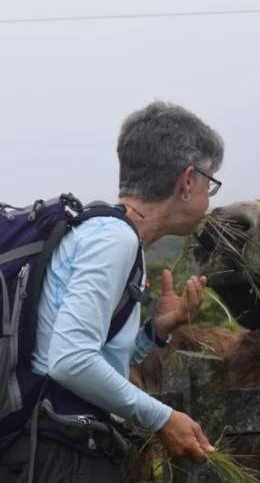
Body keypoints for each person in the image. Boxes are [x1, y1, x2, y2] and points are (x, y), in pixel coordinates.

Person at [0, 100, 225, 482]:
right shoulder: (114, 239)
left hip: (54, 445)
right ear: (187, 180)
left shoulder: (107, 233)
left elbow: (85, 353)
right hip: (60, 454)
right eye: (211, 183)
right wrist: (163, 418)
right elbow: (69, 361)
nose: (209, 197)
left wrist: (155, 332)